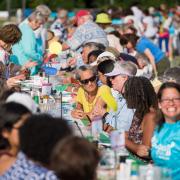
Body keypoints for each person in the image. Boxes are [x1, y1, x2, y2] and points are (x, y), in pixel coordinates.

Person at [95, 61, 136, 132]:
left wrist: (104, 114)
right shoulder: (121, 95)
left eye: (113, 77)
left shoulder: (133, 98)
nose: (110, 79)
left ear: (125, 77)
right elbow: (112, 118)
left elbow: (123, 128)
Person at [123, 77, 158, 161]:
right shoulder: (139, 111)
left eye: (127, 94)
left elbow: (145, 152)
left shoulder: (151, 116)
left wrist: (123, 140)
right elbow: (137, 135)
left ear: (137, 96)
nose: (125, 96)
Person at [151, 82, 180, 180]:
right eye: (166, 99)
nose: (171, 103)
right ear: (159, 104)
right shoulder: (159, 128)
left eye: (176, 99)